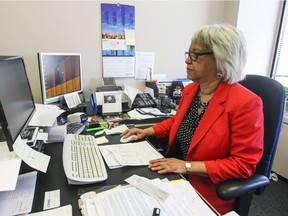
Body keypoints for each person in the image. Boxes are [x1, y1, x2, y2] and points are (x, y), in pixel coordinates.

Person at [121, 24, 264, 214]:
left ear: (221, 59)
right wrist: (148, 131)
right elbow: (177, 122)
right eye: (188, 53)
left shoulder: (246, 103)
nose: (188, 60)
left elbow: (243, 165)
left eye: (196, 55)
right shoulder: (191, 90)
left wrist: (185, 166)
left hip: (204, 191)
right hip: (173, 175)